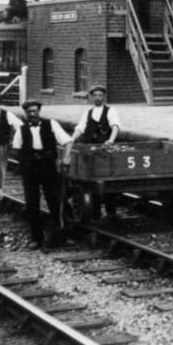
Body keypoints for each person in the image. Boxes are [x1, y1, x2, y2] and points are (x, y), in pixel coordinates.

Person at [11, 99, 72, 246]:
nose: (33, 114)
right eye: (29, 112)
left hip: (48, 166)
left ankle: (61, 237)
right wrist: (25, 161)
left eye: (35, 111)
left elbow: (68, 141)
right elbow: (15, 148)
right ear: (26, 113)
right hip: (30, 168)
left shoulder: (51, 124)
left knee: (54, 200)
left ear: (39, 111)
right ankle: (36, 238)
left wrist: (66, 157)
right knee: (32, 203)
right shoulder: (22, 129)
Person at [70, 83, 121, 218]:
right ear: (91, 97)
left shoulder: (110, 111)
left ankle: (111, 212)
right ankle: (96, 212)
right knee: (92, 180)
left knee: (109, 179)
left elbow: (115, 126)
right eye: (95, 95)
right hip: (91, 148)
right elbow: (80, 128)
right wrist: (71, 139)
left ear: (104, 97)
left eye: (100, 95)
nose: (98, 98)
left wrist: (110, 140)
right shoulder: (87, 113)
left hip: (105, 149)